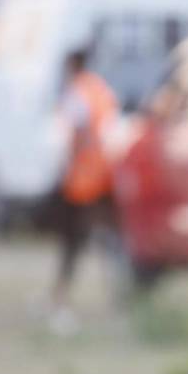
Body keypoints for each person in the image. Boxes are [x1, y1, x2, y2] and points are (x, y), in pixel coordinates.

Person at [49, 47, 118, 334]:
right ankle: (115, 297)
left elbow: (73, 134)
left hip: (80, 183)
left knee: (71, 245)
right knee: (107, 241)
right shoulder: (100, 90)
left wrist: (61, 168)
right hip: (103, 177)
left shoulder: (77, 93)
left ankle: (61, 298)